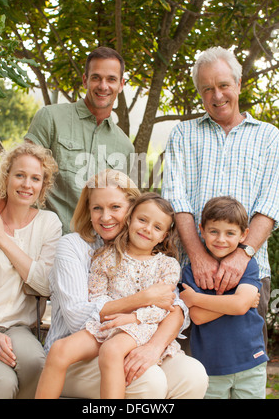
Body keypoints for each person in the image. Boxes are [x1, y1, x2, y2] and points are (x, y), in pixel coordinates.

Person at [42, 169, 208, 399]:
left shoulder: (165, 264)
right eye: (97, 208)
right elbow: (81, 314)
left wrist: (138, 324)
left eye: (115, 207)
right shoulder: (98, 254)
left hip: (140, 331)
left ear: (130, 209)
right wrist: (145, 298)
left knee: (194, 375)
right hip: (93, 340)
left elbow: (173, 308)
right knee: (149, 381)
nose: (105, 216)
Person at [162, 46, 279, 346]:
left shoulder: (269, 137)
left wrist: (241, 257)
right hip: (192, 274)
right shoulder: (183, 134)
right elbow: (177, 201)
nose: (217, 96)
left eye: (224, 85)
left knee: (244, 371)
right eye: (207, 89)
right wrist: (199, 257)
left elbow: (270, 204)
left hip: (249, 274)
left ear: (238, 84)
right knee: (188, 375)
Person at [0, 47, 135, 244]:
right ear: (85, 80)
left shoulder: (125, 147)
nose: (103, 86)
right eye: (96, 78)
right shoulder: (51, 118)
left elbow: (123, 207)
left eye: (111, 79)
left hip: (95, 252)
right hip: (41, 242)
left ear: (121, 84)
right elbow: (14, 176)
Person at [0, 142, 62, 398]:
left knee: (38, 365)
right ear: (6, 178)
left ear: (43, 185)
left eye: (35, 178)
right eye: (20, 175)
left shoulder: (48, 224)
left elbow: (45, 284)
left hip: (19, 327)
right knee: (1, 382)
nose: (27, 184)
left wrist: (2, 238)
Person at [181, 196, 268, 399]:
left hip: (250, 361)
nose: (221, 239)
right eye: (214, 231)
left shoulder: (248, 265)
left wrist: (195, 298)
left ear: (244, 235)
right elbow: (198, 317)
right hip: (211, 365)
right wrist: (239, 303)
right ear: (201, 230)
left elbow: (238, 305)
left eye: (230, 233)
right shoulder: (191, 271)